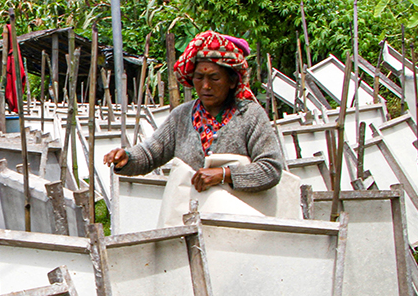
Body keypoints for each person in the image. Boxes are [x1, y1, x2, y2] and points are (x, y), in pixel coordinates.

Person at [103, 31, 284, 193]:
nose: (205, 86)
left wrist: (224, 174)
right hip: (191, 212)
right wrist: (128, 158)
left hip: (239, 215)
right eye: (199, 77)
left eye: (214, 78)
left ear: (232, 81)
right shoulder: (181, 116)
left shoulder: (250, 116)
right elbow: (151, 154)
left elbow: (271, 169)